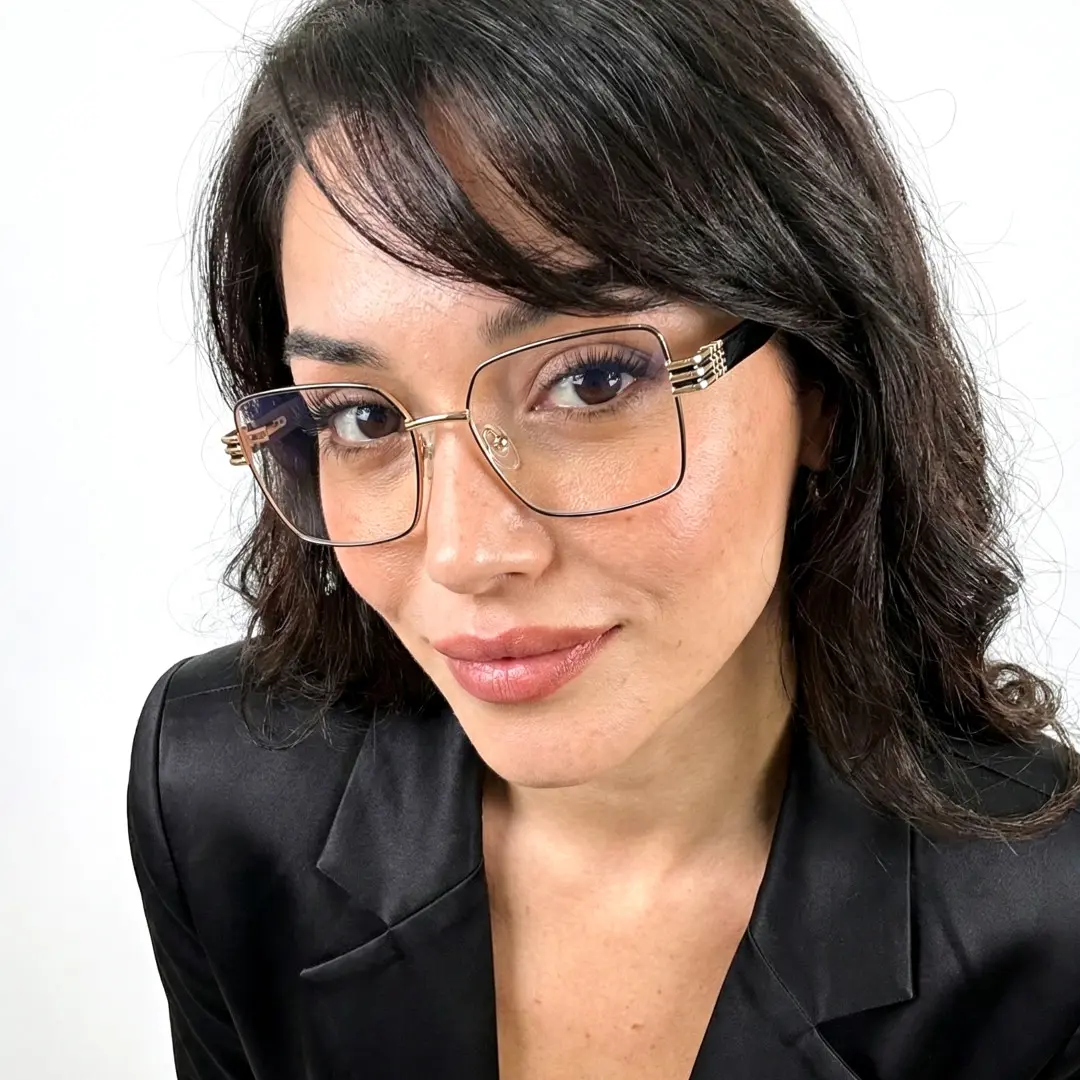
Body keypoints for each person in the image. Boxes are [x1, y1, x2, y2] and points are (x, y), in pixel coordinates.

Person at [127, 1, 1080, 1077]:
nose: (466, 554)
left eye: (590, 382)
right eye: (363, 417)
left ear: (823, 383)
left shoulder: (1052, 939)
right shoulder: (219, 793)